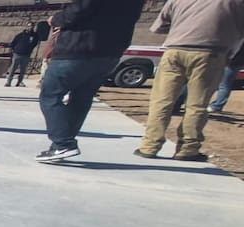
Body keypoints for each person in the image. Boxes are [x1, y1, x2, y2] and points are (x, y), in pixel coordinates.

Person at [35, 0, 145, 162]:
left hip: (79, 48)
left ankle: (63, 144)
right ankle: (62, 145)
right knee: (82, 97)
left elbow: (78, 11)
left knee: (50, 95)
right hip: (110, 53)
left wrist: (56, 19)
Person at [135, 0, 244, 161]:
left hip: (174, 51)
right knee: (197, 105)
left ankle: (149, 146)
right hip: (210, 53)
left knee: (161, 102)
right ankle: (188, 148)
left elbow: (159, 26)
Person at [209, 45, 244, 112]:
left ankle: (217, 106)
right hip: (237, 62)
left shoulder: (238, 37)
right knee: (225, 85)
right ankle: (217, 105)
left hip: (231, 61)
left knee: (223, 85)